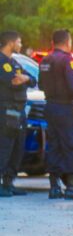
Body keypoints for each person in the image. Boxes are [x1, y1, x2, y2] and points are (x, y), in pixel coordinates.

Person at [38, 29, 73, 200]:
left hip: (50, 106)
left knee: (54, 145)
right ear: (68, 42)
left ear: (53, 43)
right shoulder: (68, 61)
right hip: (65, 108)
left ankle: (54, 187)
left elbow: (41, 84)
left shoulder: (45, 60)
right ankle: (72, 187)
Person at [0, 31, 37, 197]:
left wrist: (25, 79)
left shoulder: (15, 62)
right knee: (5, 147)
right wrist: (21, 79)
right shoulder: (2, 62)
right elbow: (13, 81)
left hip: (19, 110)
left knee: (17, 147)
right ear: (11, 43)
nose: (20, 45)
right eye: (19, 42)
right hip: (6, 110)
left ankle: (9, 182)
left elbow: (32, 79)